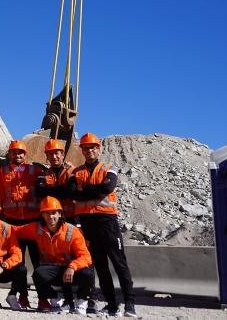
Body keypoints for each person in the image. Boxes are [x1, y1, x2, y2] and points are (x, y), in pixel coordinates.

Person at [68, 133, 136, 318]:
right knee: (100, 266)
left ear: (98, 149)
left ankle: (130, 305)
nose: (90, 150)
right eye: (86, 148)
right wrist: (94, 190)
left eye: (93, 147)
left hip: (107, 222)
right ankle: (112, 305)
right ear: (81, 150)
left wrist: (86, 189)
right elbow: (74, 193)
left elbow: (107, 188)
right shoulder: (76, 172)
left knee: (119, 263)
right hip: (88, 224)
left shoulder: (109, 168)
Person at [15, 197, 94, 314]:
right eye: (47, 213)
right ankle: (55, 298)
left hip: (71, 271)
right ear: (42, 215)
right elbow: (15, 230)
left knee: (87, 273)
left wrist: (72, 267)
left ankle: (81, 301)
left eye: (53, 213)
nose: (50, 217)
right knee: (38, 274)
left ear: (60, 214)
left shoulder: (72, 231)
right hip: (54, 272)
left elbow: (86, 257)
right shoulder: (37, 228)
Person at [0, 139, 42, 309]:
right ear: (9, 154)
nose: (18, 155)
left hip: (32, 222)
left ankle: (42, 297)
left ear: (25, 154)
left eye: (21, 152)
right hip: (12, 223)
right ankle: (22, 297)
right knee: (18, 263)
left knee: (38, 261)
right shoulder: (1, 172)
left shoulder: (35, 170)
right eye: (14, 152)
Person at [35, 139, 76, 221]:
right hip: (51, 218)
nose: (54, 157)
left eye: (56, 153)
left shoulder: (72, 171)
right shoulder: (43, 175)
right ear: (47, 156)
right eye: (50, 154)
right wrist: (63, 189)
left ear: (62, 155)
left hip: (71, 217)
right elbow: (40, 193)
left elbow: (71, 191)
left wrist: (49, 191)